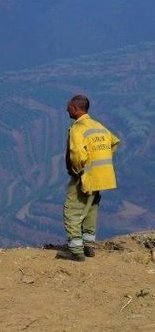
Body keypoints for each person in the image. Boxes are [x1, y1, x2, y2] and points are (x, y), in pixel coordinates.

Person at [58, 94, 120, 262]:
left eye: (68, 107)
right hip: (101, 177)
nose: (66, 109)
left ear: (74, 108)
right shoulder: (98, 126)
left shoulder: (78, 128)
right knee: (91, 209)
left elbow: (77, 154)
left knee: (72, 210)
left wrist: (80, 170)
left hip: (85, 177)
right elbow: (114, 142)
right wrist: (100, 162)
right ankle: (89, 247)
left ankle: (76, 251)